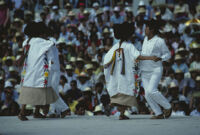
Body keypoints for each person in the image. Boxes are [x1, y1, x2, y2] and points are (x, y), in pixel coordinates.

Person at [103, 22, 155, 120]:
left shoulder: (115, 46)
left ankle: (116, 109)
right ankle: (121, 113)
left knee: (119, 95)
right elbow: (138, 56)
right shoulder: (129, 46)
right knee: (127, 95)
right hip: (126, 75)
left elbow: (106, 60)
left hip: (117, 76)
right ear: (128, 35)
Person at [18, 22, 58, 121]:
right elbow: (51, 46)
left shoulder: (28, 41)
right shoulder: (44, 42)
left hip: (29, 70)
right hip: (40, 70)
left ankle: (26, 112)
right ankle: (31, 112)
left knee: (27, 90)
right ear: (41, 33)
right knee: (40, 90)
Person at [140, 19, 172, 119]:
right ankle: (158, 113)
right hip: (144, 70)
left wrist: (161, 58)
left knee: (151, 90)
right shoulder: (145, 39)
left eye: (146, 28)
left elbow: (168, 54)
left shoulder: (159, 41)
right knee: (147, 94)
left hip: (155, 69)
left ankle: (168, 107)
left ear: (152, 29)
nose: (145, 29)